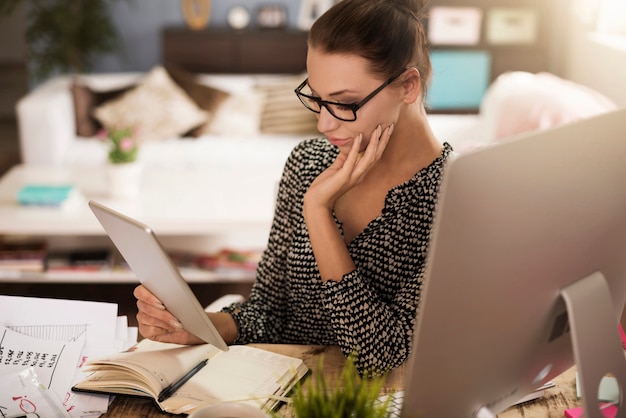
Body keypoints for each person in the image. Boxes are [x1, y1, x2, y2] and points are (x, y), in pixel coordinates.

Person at [134, 0, 454, 375]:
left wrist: (318, 212)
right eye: (316, 98)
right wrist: (198, 326)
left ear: (408, 86)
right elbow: (268, 312)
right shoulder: (308, 161)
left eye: (345, 103)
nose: (324, 125)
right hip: (276, 391)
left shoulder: (455, 200)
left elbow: (380, 357)